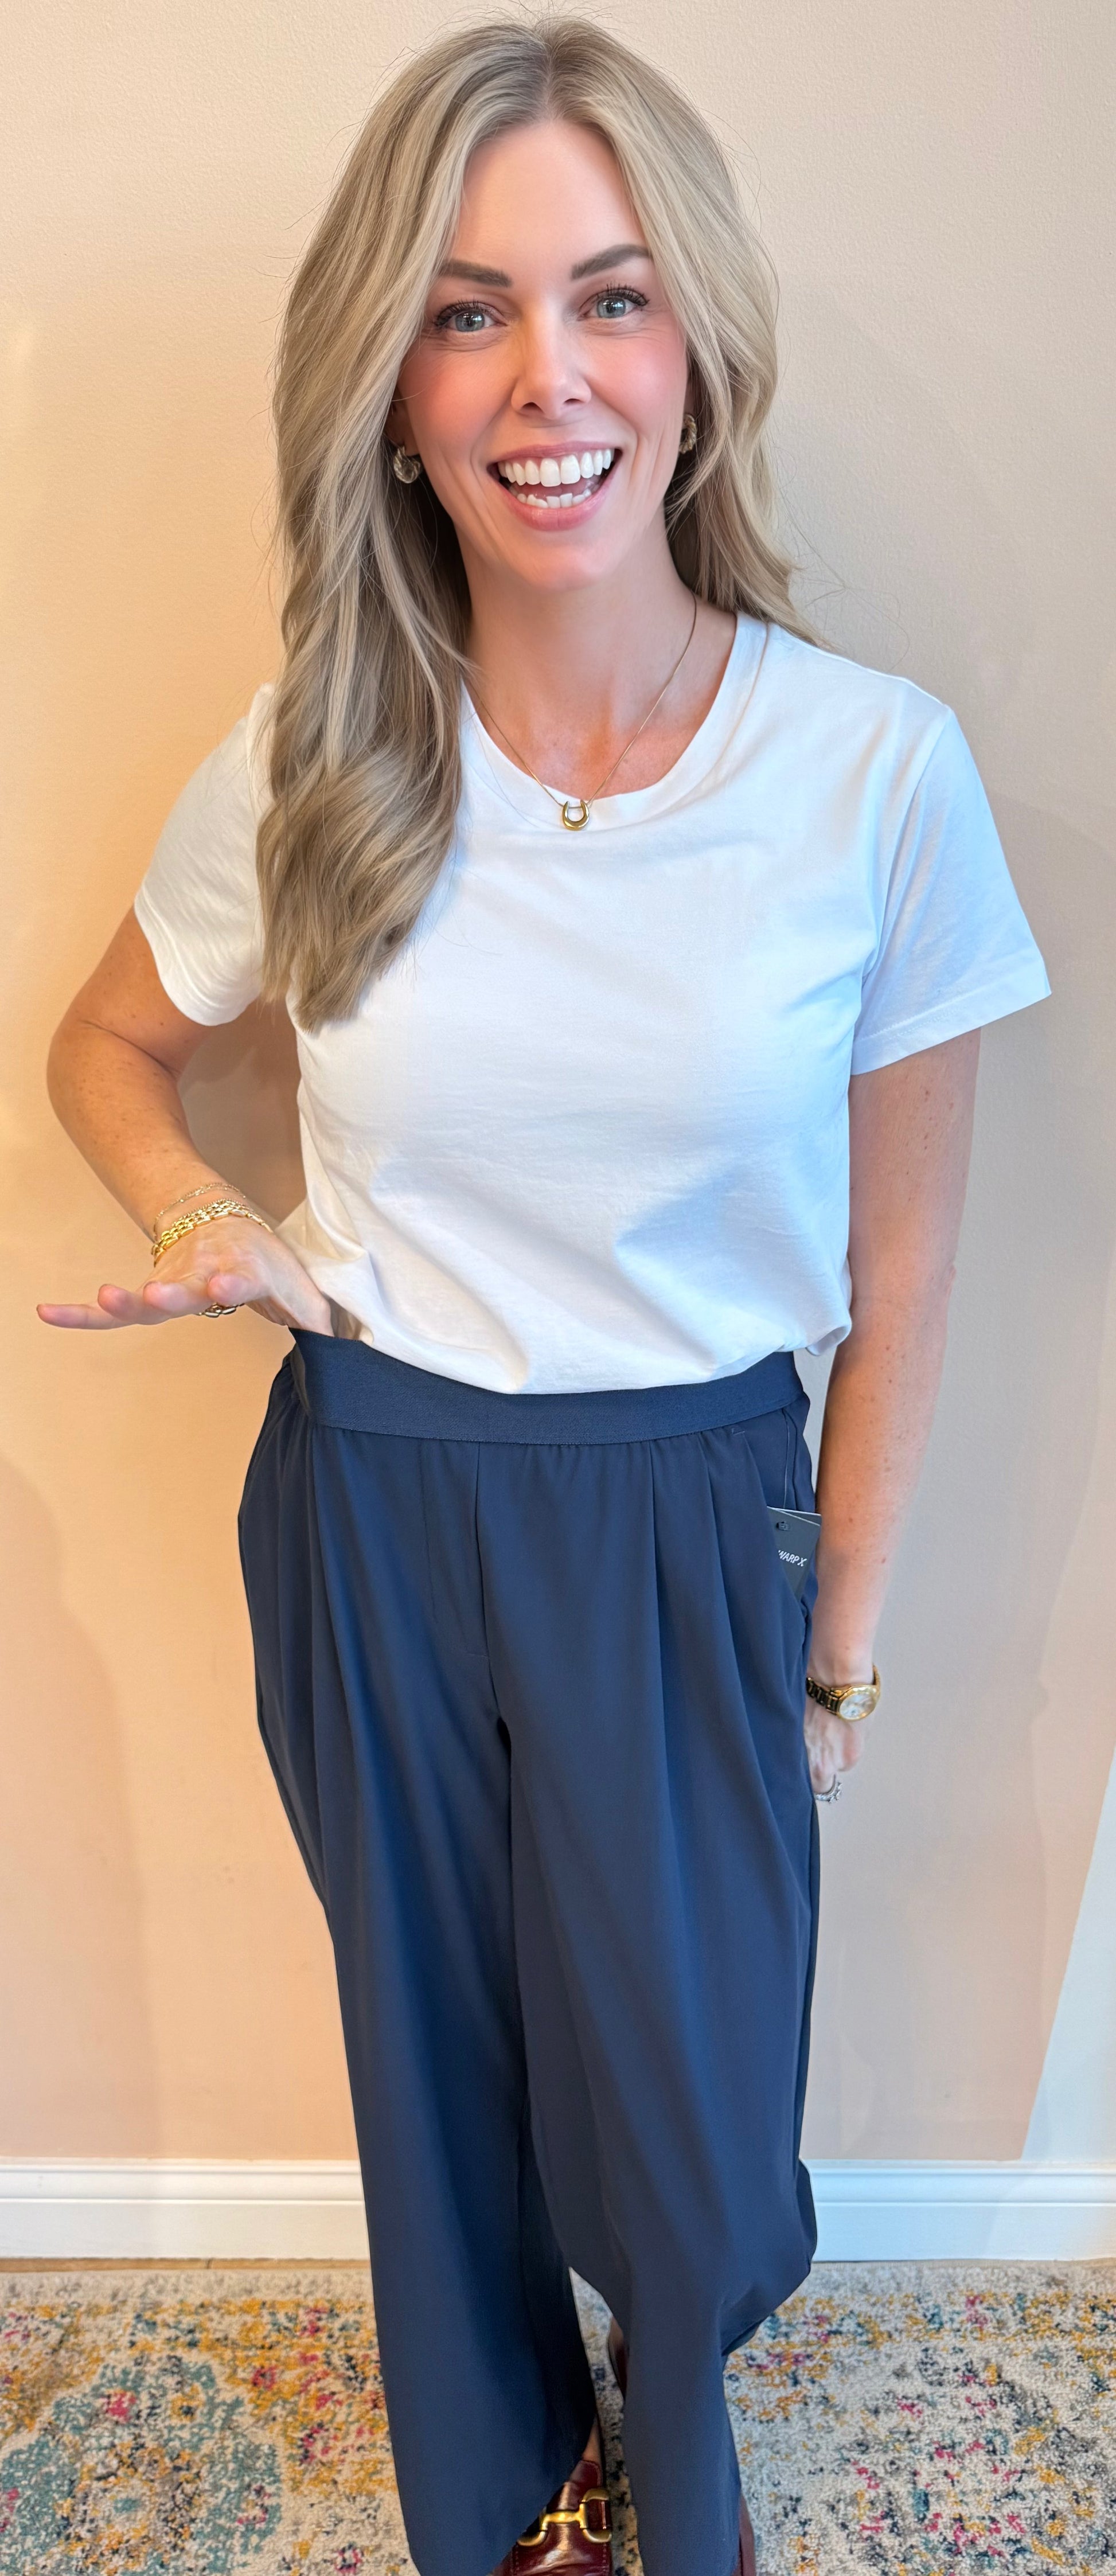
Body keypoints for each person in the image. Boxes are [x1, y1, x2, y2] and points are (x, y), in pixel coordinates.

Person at [39, 19, 1051, 2576]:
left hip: (691, 1503)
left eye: (607, 297)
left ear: (696, 347)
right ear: (390, 391)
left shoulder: (871, 773)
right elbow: (106, 1047)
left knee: (692, 2151)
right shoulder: (322, 755)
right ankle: (513, 2508)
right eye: (464, 311)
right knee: (445, 2078)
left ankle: (669, 2454)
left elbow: (904, 1273)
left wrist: (836, 1656)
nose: (544, 378)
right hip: (376, 1493)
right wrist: (190, 1211)